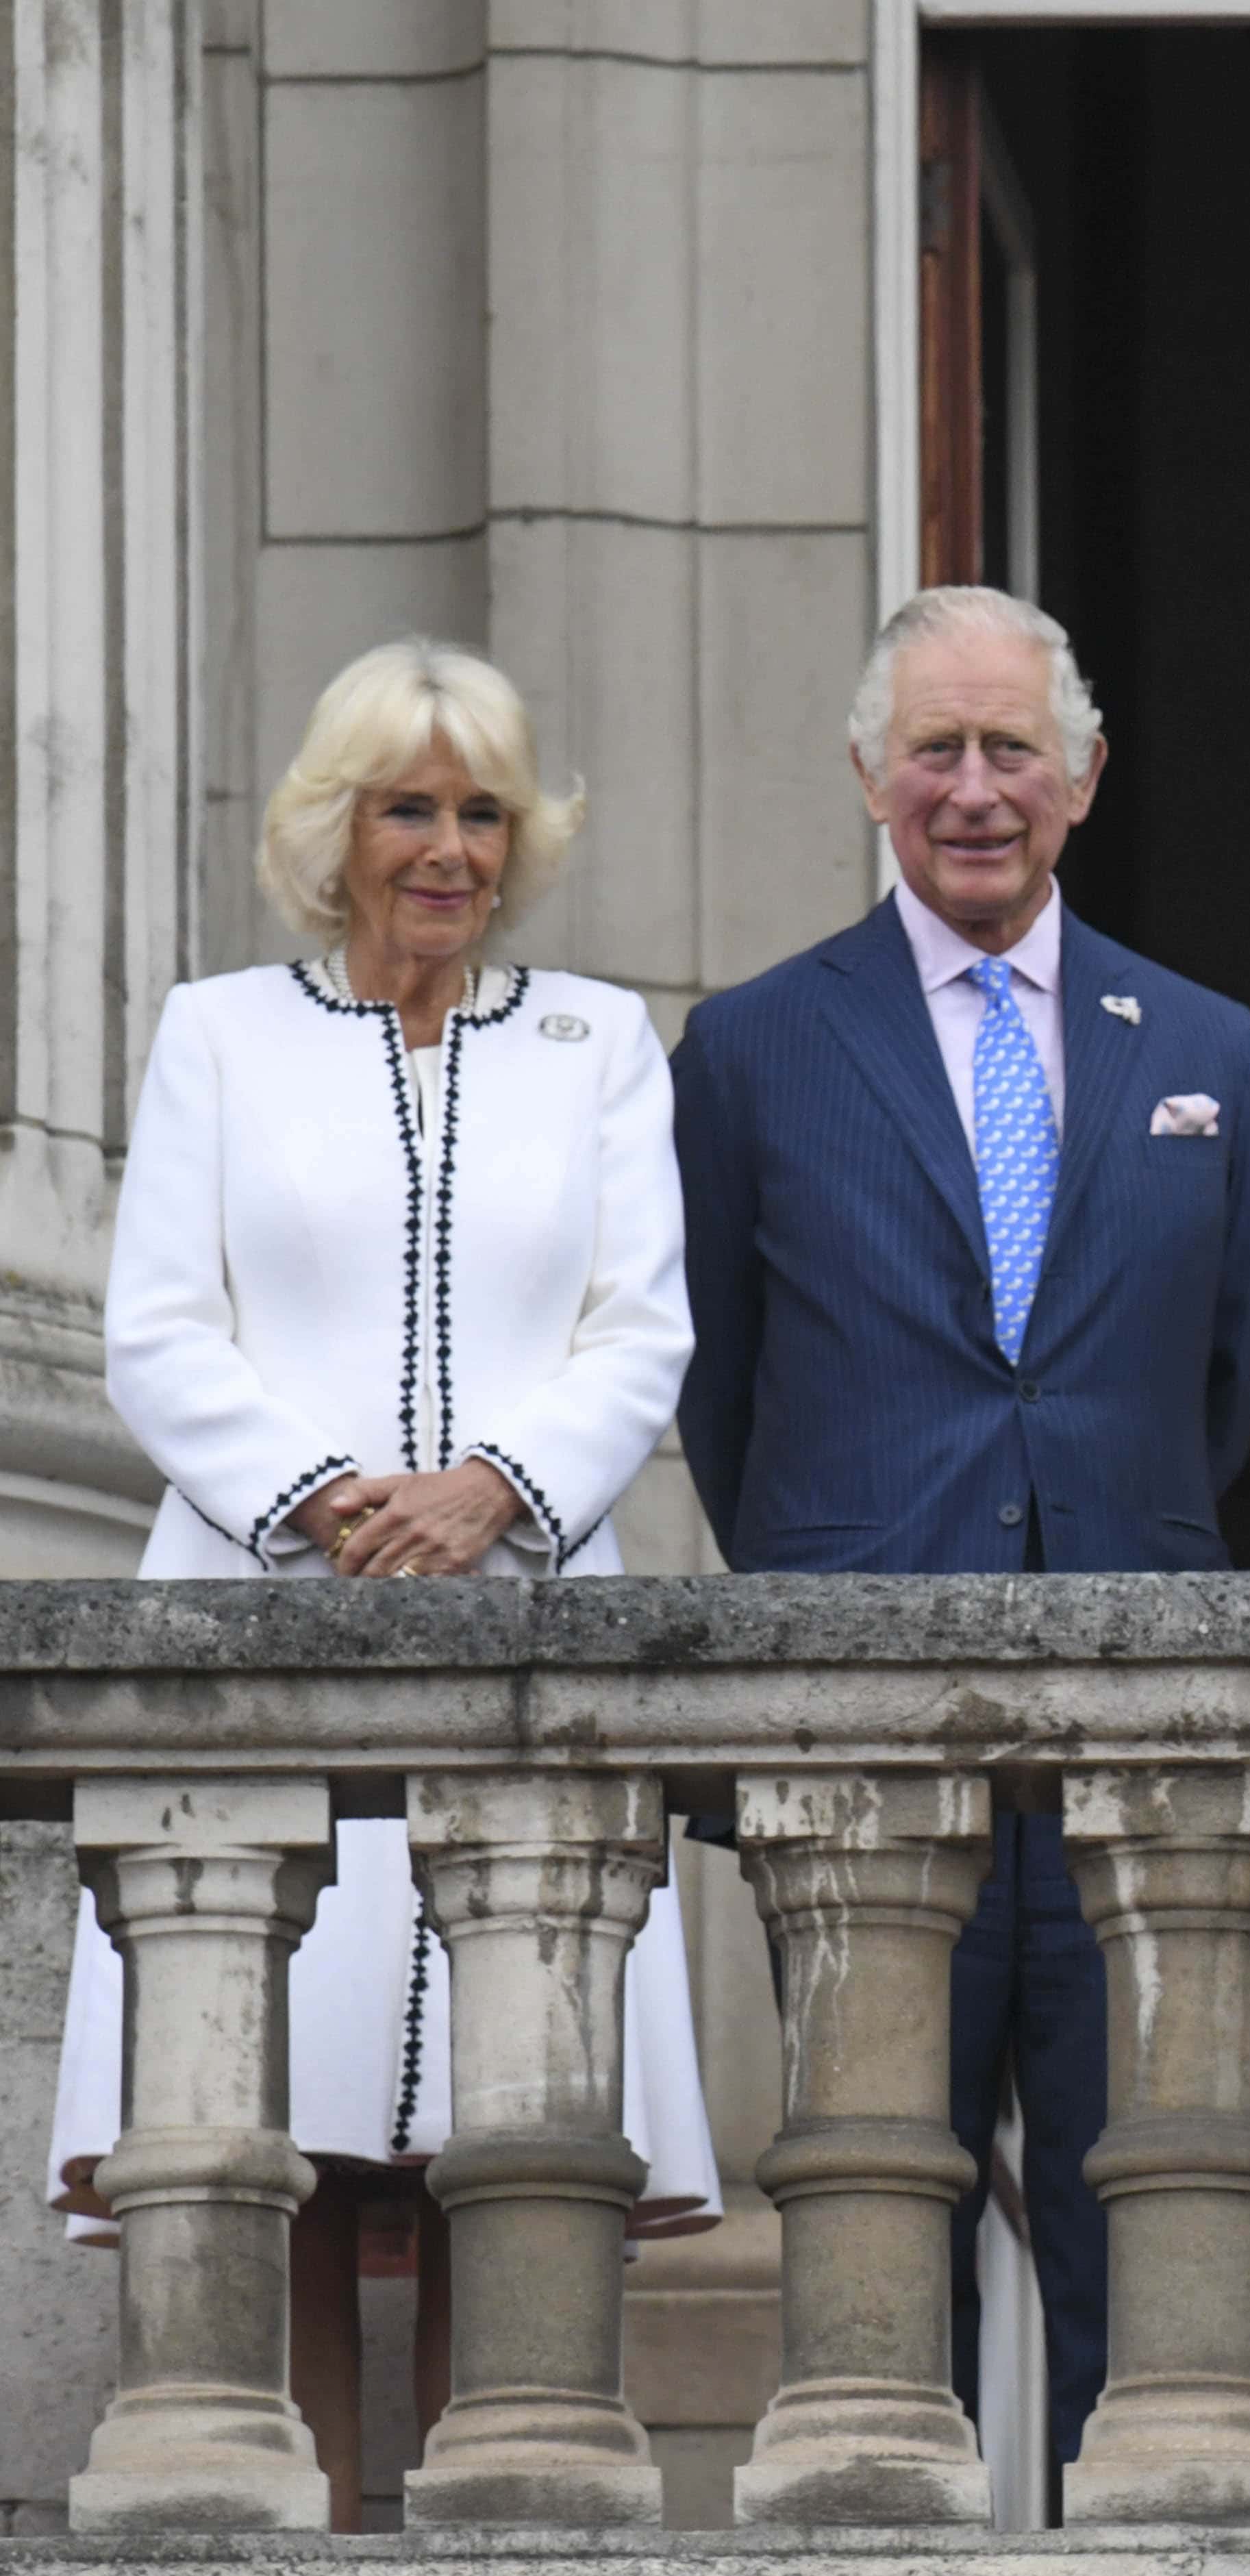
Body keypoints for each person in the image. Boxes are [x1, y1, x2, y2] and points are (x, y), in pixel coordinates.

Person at [46, 638, 718, 2529]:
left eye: (480, 810)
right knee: (297, 2132)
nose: (447, 848)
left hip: (522, 1615)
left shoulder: (596, 1042)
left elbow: (637, 1329)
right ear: (334, 833)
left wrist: (491, 1488)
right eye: (408, 808)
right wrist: (329, 1498)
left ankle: (493, 2536)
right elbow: (162, 1332)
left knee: (503, 2141)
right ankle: (329, 2535)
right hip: (269, 1615)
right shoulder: (219, 1035)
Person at [668, 585, 1250, 2488]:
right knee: (876, 2229)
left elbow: (1229, 1378)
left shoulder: (1209, 1044)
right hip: (865, 1729)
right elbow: (723, 1384)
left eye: (1011, 746)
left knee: (1156, 2226)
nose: (974, 787)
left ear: (1084, 776)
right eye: (933, 748)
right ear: (871, 776)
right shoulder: (756, 1045)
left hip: (1135, 1737)